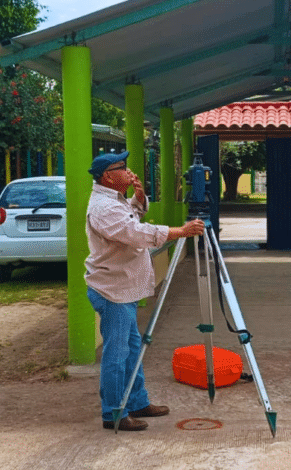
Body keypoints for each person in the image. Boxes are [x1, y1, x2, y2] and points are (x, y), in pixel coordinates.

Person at [84, 150, 205, 431]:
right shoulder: (103, 208)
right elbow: (135, 233)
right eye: (121, 168)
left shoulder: (114, 200)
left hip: (124, 289)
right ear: (106, 177)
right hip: (113, 291)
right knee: (116, 355)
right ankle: (114, 412)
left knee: (132, 349)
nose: (129, 172)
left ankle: (137, 401)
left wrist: (138, 199)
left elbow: (130, 217)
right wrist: (179, 232)